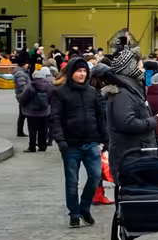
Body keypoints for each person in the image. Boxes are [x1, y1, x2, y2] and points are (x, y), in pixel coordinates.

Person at [50, 57, 108, 228]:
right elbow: (55, 118)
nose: (82, 74)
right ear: (71, 73)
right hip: (71, 144)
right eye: (78, 71)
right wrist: (60, 139)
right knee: (72, 182)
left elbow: (100, 117)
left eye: (84, 71)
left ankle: (84, 208)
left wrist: (105, 138)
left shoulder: (92, 92)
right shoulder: (60, 93)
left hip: (91, 142)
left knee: (95, 176)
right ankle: (74, 214)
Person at [21, 66, 56, 152]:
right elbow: (52, 98)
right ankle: (42, 146)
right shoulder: (49, 86)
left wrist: (25, 106)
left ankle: (32, 147)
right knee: (43, 129)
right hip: (44, 112)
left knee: (32, 130)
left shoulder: (30, 87)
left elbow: (23, 99)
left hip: (31, 113)